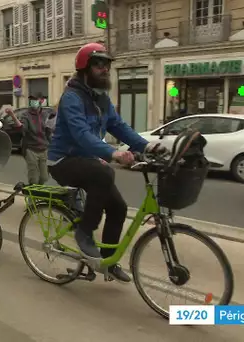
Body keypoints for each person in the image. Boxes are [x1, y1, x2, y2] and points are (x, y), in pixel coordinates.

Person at [47, 43, 166, 282]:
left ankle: (107, 262)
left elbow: (119, 127)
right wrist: (112, 154)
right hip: (63, 160)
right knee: (103, 174)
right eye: (98, 64)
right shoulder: (72, 97)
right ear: (84, 68)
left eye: (107, 65)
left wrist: (146, 146)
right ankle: (84, 233)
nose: (105, 69)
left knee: (118, 208)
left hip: (87, 160)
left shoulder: (102, 99)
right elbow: (81, 134)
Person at [4, 95, 51, 185]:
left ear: (40, 101)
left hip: (43, 148)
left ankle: (38, 193)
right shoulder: (26, 115)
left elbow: (48, 130)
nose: (33, 103)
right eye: (31, 101)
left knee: (44, 177)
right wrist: (13, 115)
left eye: (35, 100)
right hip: (31, 149)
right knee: (34, 178)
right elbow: (22, 128)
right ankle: (32, 196)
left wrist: (50, 144)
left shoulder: (44, 114)